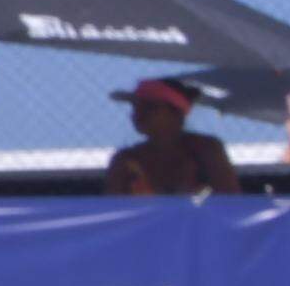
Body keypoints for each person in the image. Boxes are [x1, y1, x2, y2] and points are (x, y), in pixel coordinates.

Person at [103, 78, 240, 197]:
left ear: (177, 114)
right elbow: (113, 210)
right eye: (135, 107)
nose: (138, 114)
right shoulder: (125, 160)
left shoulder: (206, 150)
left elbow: (230, 202)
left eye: (150, 107)